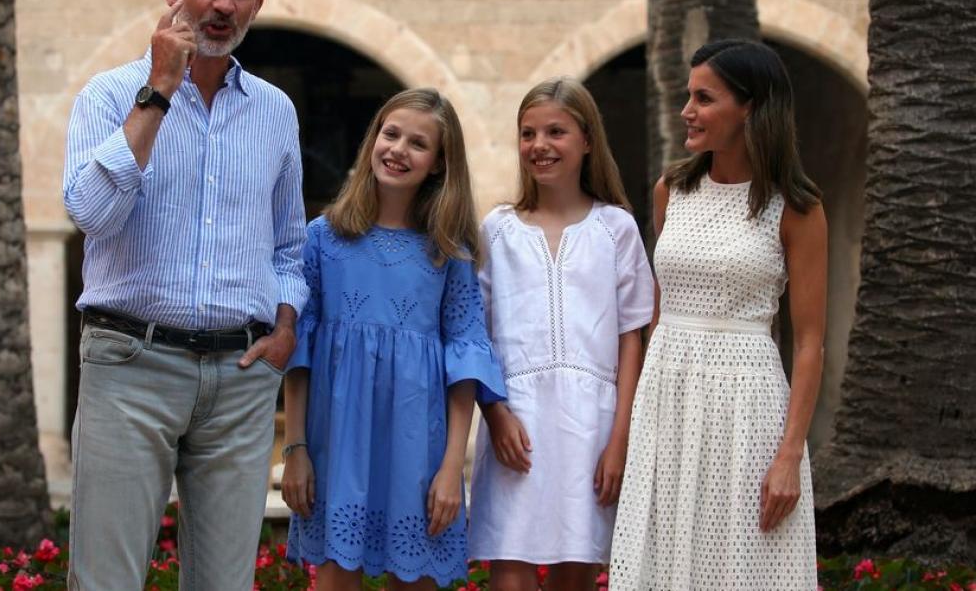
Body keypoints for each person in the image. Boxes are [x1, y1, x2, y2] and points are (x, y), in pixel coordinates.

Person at [60, 0, 307, 590]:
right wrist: (158, 91)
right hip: (128, 365)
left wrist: (284, 327)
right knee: (106, 580)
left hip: (241, 375)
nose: (223, 2)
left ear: (257, 4)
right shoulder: (108, 96)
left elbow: (289, 243)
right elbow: (90, 213)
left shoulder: (275, 112)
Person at [610, 39, 826, 589]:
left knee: (744, 562)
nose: (687, 111)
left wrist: (790, 455)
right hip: (668, 396)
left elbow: (808, 343)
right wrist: (635, 418)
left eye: (704, 98)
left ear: (750, 106)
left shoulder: (796, 207)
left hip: (748, 407)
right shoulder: (671, 190)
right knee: (661, 559)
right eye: (689, 96)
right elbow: (659, 310)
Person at [279, 88, 507, 589]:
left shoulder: (450, 251)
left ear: (440, 164)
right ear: (372, 140)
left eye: (418, 143)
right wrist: (295, 449)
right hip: (334, 442)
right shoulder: (323, 238)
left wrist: (452, 468)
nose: (399, 149)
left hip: (418, 451)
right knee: (337, 577)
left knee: (417, 575)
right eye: (391, 133)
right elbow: (301, 351)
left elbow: (465, 360)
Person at [466, 77, 654, 590]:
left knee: (576, 575)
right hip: (516, 425)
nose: (539, 146)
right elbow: (475, 337)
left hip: (592, 427)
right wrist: (496, 412)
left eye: (556, 131)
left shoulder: (616, 228)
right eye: (528, 133)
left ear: (587, 139)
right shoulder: (498, 230)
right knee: (511, 576)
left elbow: (630, 338)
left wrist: (620, 438)